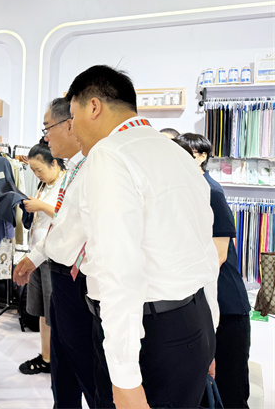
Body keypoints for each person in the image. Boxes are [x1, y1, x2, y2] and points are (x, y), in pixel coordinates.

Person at [67, 65, 219, 408]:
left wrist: (124, 379)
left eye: (72, 116)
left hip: (150, 336)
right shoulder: (177, 154)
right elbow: (205, 250)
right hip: (193, 323)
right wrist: (211, 333)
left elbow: (118, 270)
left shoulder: (111, 153)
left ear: (94, 107)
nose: (71, 128)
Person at [14, 97, 96, 408]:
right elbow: (63, 225)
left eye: (48, 127)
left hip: (81, 281)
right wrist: (34, 258)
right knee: (63, 373)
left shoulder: (94, 167)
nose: (46, 137)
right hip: (61, 277)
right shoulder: (74, 169)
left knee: (87, 369)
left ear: (70, 124)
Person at [177, 132, 251, 409]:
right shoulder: (186, 190)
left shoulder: (211, 191)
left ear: (201, 157)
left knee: (229, 387)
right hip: (203, 300)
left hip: (226, 303)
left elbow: (219, 255)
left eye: (185, 154)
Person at [17, 139, 65, 375]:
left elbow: (68, 216)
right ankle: (46, 356)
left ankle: (57, 359)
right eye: (33, 170)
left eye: (39, 169)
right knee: (44, 311)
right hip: (37, 254)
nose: (36, 174)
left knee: (53, 311)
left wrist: (40, 206)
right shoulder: (45, 184)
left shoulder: (67, 182)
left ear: (54, 163)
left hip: (53, 257)